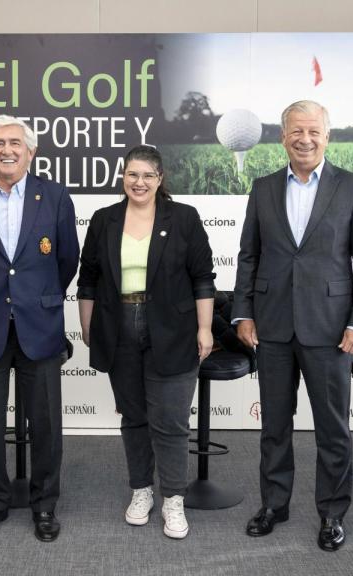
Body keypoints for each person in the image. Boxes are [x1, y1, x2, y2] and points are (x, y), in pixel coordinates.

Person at [233, 100, 353, 551]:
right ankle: (274, 505)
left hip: (331, 329)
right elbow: (249, 255)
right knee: (274, 425)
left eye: (314, 131)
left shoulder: (352, 186)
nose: (305, 139)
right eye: (296, 131)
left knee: (332, 429)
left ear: (327, 136)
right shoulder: (263, 188)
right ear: (283, 137)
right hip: (272, 326)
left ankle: (332, 513)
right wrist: (243, 312)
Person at [0, 115, 79, 542]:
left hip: (39, 325)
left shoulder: (55, 196)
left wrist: (35, 297)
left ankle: (45, 506)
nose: (7, 150)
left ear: (31, 151)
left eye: (15, 143)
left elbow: (67, 260)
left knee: (46, 424)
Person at [77, 145, 216, 539]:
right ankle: (141, 490)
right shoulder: (104, 219)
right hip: (117, 327)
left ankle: (173, 498)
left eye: (147, 176)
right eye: (132, 174)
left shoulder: (184, 218)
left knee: (170, 422)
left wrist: (205, 328)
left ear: (160, 179)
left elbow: (202, 278)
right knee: (134, 417)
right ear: (123, 176)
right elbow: (88, 279)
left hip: (173, 329)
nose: (139, 182)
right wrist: (88, 326)